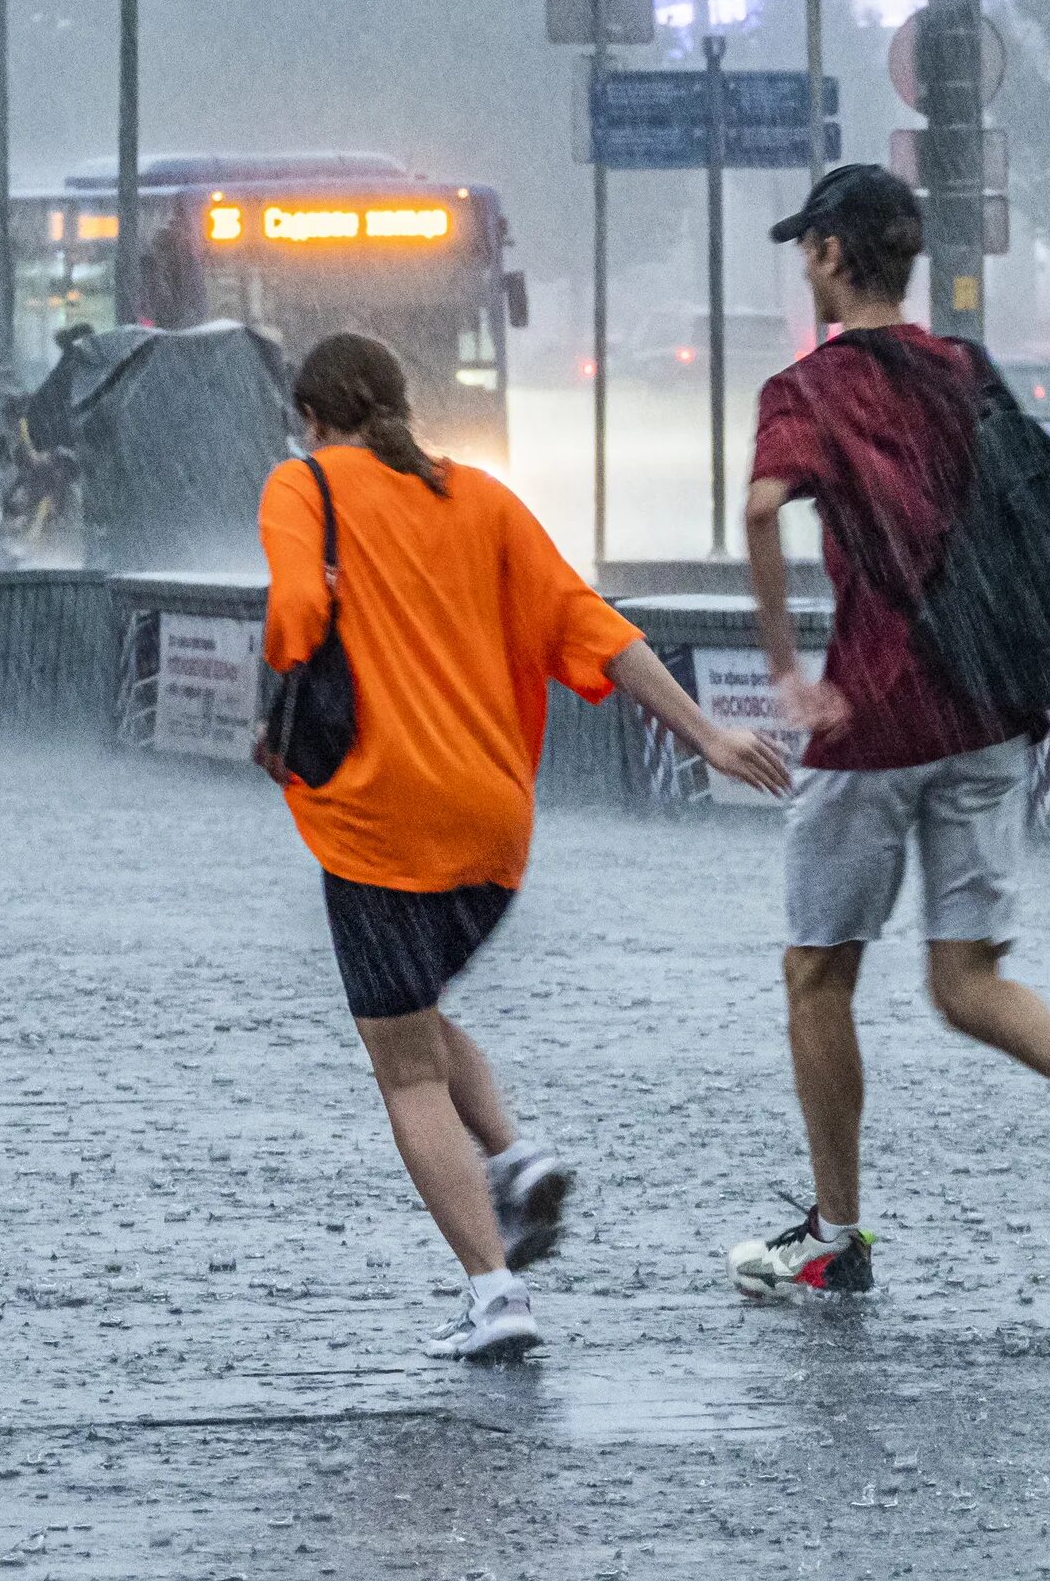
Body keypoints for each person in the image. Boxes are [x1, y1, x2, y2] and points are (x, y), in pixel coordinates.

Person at [260, 332, 789, 1362]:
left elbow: (295, 614)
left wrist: (292, 670)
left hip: (377, 812)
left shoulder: (303, 483)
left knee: (403, 1066)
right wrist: (709, 732)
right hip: (492, 820)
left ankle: (494, 1286)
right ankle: (512, 1151)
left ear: (316, 418)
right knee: (409, 1013)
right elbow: (592, 626)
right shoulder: (486, 501)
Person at [725, 165, 1050, 1300]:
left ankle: (834, 1234)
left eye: (806, 250)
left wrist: (789, 669)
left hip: (875, 710)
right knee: (965, 973)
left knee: (817, 975)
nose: (803, 267)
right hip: (987, 703)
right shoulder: (963, 371)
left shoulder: (808, 389)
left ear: (831, 253)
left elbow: (761, 507)